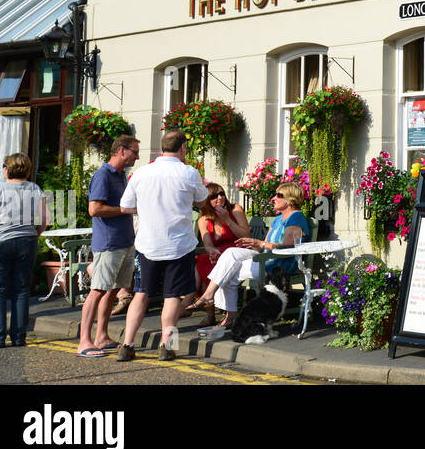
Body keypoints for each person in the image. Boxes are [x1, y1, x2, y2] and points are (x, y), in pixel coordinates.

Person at [115, 129, 209, 362]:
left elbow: (125, 207)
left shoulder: (142, 173)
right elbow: (203, 201)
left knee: (141, 293)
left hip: (148, 244)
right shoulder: (189, 173)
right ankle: (167, 347)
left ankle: (126, 345)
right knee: (173, 296)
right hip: (179, 246)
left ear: (162, 147)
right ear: (183, 148)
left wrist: (148, 209)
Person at [184, 182, 309, 332]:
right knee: (230, 263)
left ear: (290, 199)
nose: (274, 198)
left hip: (280, 263)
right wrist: (252, 244)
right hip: (267, 257)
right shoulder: (278, 219)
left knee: (230, 262)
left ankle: (210, 298)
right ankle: (227, 314)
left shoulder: (296, 218)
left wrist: (258, 243)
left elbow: (288, 247)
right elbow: (263, 245)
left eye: (278, 195)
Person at [0, 153, 50, 348]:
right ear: (26, 170)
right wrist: (34, 234)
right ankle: (18, 337)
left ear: (6, 169)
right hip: (26, 241)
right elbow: (44, 221)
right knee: (21, 290)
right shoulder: (34, 189)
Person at [76, 135, 140, 357]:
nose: (137, 156)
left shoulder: (122, 176)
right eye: (134, 151)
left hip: (125, 241)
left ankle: (101, 337)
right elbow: (94, 209)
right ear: (122, 150)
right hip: (108, 243)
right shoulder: (103, 175)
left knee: (113, 290)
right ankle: (84, 341)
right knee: (97, 290)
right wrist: (124, 210)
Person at [191, 182, 249, 328]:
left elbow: (245, 235)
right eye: (214, 196)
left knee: (206, 264)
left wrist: (227, 220)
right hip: (219, 255)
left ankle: (194, 304)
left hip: (237, 251)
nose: (220, 198)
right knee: (203, 260)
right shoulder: (203, 219)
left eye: (222, 193)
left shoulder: (235, 210)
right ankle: (200, 304)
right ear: (207, 200)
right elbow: (208, 244)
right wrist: (212, 251)